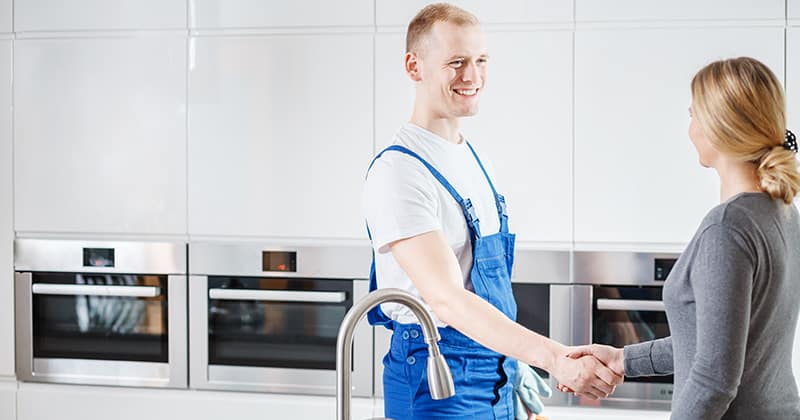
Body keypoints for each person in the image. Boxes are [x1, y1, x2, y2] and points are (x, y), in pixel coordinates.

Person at [362, 3, 622, 419]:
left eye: (481, 60)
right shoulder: (399, 171)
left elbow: (486, 290)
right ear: (414, 67)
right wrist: (553, 357)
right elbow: (447, 300)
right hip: (438, 378)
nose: (473, 76)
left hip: (494, 373)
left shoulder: (471, 159)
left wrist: (513, 370)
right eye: (456, 62)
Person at [564, 57, 800, 419]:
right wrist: (623, 358)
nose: (689, 129)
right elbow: (711, 342)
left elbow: (714, 380)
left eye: (692, 115)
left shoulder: (728, 228)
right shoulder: (781, 212)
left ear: (717, 127)